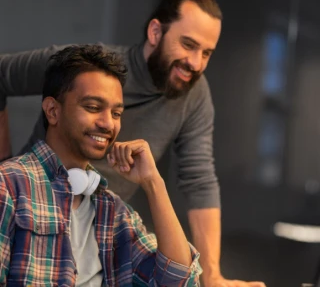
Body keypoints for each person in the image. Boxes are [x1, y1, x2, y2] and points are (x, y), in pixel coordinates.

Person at [0, 0, 265, 287]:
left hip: (100, 221)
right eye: (188, 44)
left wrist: (213, 275)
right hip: (36, 202)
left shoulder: (116, 215)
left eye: (206, 53)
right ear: (156, 32)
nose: (196, 63)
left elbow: (199, 181)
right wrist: (4, 165)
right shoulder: (79, 67)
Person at [0, 45, 202, 286]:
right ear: (53, 111)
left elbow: (178, 281)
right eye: (93, 108)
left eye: (116, 113)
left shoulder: (114, 211)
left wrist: (153, 183)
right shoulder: (8, 187)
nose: (108, 124)